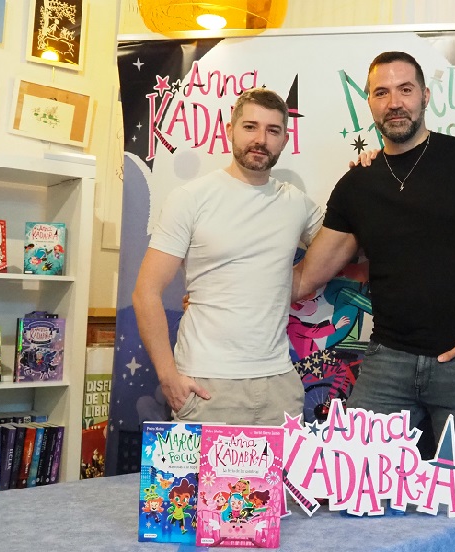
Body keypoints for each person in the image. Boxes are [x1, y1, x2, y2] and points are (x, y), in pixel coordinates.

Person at [292, 51, 455, 512]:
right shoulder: (357, 185)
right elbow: (307, 277)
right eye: (381, 92)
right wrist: (220, 291)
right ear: (370, 103)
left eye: (405, 89)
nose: (395, 102)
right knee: (357, 494)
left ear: (425, 96)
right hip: (388, 366)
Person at [132, 87, 322, 426]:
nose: (260, 139)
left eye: (273, 130)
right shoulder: (191, 198)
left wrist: (369, 169)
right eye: (250, 127)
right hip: (207, 385)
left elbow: (345, 244)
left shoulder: (296, 203)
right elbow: (146, 292)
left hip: (278, 386)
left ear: (284, 140)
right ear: (229, 130)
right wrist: (168, 376)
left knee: (284, 467)